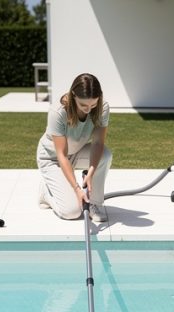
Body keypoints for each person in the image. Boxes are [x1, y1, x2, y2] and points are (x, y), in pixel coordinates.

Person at [37, 73, 112, 223]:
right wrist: (77, 189)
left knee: (105, 155)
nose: (88, 109)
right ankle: (46, 193)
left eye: (93, 104)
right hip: (53, 158)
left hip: (76, 152)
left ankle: (95, 204)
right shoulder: (58, 112)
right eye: (83, 105)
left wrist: (90, 173)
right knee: (71, 212)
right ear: (73, 96)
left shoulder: (102, 108)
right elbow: (62, 155)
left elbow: (97, 143)